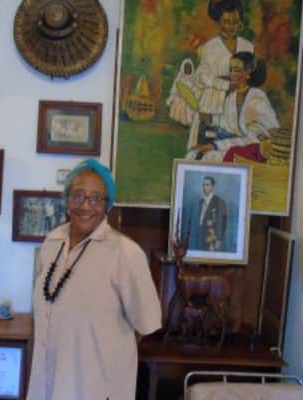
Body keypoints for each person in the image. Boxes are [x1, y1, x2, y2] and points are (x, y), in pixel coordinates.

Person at [27, 159, 162, 400]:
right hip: (45, 388)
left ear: (107, 205)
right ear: (67, 200)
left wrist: (104, 355)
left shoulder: (125, 253)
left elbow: (145, 324)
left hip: (95, 390)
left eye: (96, 198)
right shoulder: (52, 242)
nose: (86, 205)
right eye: (78, 195)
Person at [187, 52, 280, 162]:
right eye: (231, 70)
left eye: (236, 70)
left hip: (253, 150)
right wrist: (210, 119)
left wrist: (215, 146)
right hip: (232, 145)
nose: (231, 74)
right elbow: (227, 122)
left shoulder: (256, 99)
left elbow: (255, 138)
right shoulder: (232, 97)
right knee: (192, 155)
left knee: (210, 157)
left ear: (248, 72)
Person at [187, 0, 254, 149]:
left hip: (238, 107)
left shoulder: (247, 46)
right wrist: (225, 85)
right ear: (219, 21)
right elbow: (201, 77)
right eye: (227, 22)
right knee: (207, 149)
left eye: (235, 22)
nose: (231, 27)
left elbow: (250, 75)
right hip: (212, 107)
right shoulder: (210, 47)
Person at [183, 176, 227, 251]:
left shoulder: (220, 202)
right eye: (203, 185)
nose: (204, 187)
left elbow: (223, 222)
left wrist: (219, 239)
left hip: (211, 237)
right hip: (198, 236)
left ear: (213, 187)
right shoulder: (200, 202)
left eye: (207, 185)